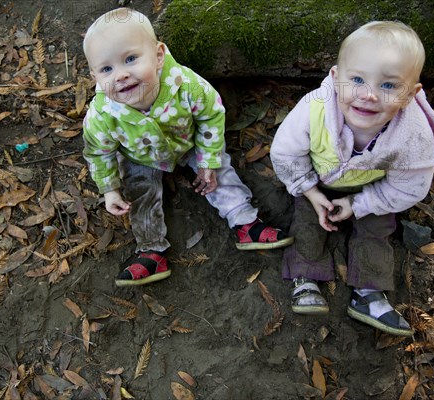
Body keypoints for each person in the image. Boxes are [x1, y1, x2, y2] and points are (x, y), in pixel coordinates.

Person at [82, 8, 293, 287]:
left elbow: (211, 113)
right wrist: (109, 188)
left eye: (131, 59)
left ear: (158, 56)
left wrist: (207, 160)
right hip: (140, 156)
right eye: (107, 69)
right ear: (94, 74)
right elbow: (99, 151)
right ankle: (151, 251)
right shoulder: (101, 114)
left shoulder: (184, 84)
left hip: (187, 142)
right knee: (140, 194)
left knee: (219, 171)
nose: (120, 75)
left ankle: (245, 222)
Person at [270, 21, 434, 336]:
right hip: (317, 180)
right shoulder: (315, 109)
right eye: (357, 79)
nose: (368, 95)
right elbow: (286, 153)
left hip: (372, 187)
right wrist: (310, 191)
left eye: (389, 85)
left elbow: (410, 186)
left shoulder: (411, 135)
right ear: (336, 78)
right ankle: (306, 275)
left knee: (379, 228)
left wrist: (359, 203)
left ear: (411, 94)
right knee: (307, 219)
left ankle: (369, 293)